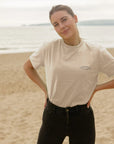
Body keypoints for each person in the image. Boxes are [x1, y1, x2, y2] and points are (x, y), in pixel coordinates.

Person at [24, 4, 114, 144]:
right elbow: (28, 67)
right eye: (56, 24)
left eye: (64, 19)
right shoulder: (49, 48)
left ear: (75, 18)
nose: (61, 26)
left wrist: (96, 88)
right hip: (52, 115)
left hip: (82, 117)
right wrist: (45, 89)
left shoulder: (96, 51)